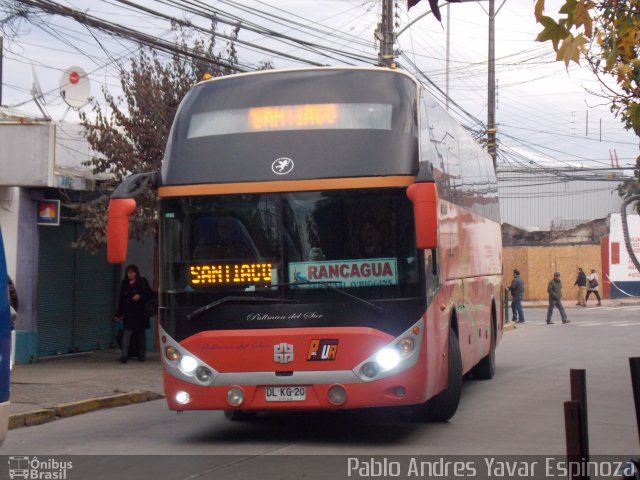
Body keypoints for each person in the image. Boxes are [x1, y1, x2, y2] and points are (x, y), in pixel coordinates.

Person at [114, 265, 152, 363]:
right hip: (128, 313)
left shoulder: (142, 282)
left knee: (141, 334)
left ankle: (141, 355)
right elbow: (121, 300)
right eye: (129, 272)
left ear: (136, 273)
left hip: (140, 313)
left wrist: (140, 296)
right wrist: (118, 314)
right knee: (127, 333)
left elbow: (149, 294)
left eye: (133, 272)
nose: (131, 274)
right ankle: (124, 356)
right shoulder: (125, 284)